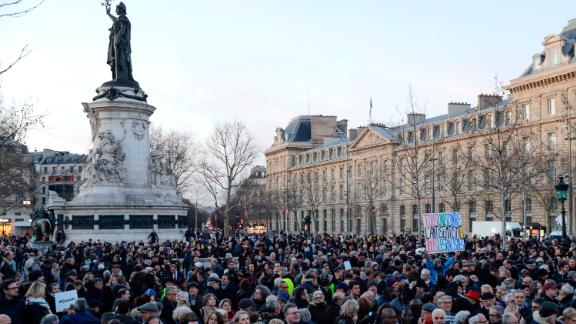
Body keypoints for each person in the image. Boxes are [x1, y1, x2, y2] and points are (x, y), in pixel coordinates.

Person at [105, 1, 137, 85]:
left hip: (120, 43)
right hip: (118, 40)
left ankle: (119, 77)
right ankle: (117, 77)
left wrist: (118, 37)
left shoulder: (123, 18)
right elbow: (115, 20)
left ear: (121, 10)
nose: (116, 10)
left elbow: (123, 28)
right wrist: (108, 14)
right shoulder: (120, 18)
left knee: (119, 59)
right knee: (116, 58)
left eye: (117, 9)